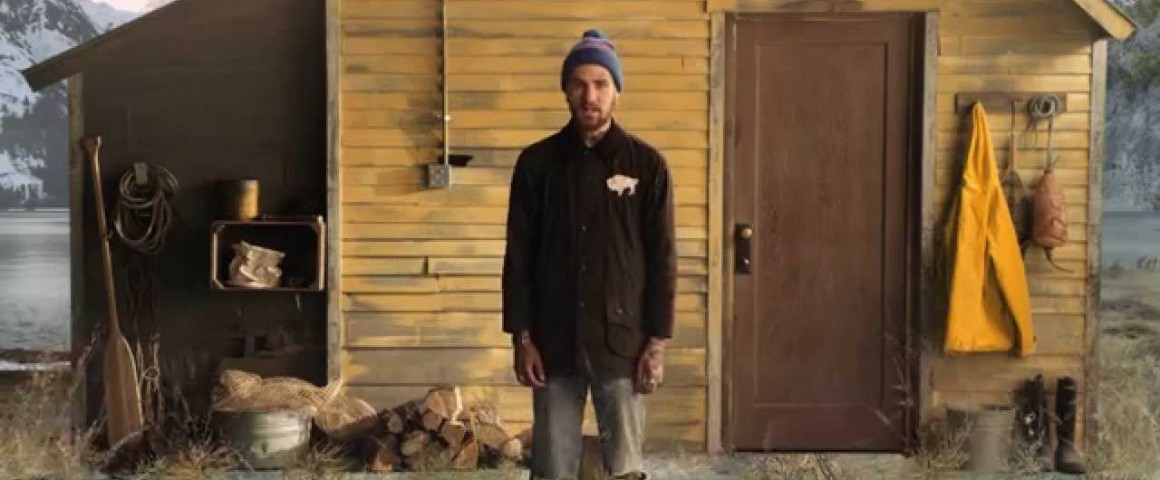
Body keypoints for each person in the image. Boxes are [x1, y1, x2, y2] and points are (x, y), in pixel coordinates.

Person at [501, 29, 677, 480]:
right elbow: (518, 258)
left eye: (600, 84)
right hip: (553, 344)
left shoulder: (647, 166)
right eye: (578, 84)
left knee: (624, 468)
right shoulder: (537, 165)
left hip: (623, 345)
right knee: (552, 467)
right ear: (566, 90)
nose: (589, 96)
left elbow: (662, 260)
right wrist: (522, 338)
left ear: (617, 90)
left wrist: (656, 344)